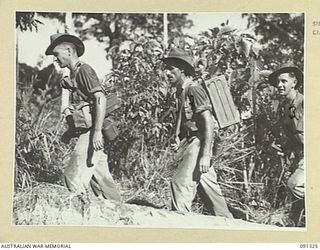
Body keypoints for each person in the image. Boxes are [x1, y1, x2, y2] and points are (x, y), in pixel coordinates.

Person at [45, 33, 121, 201]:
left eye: (56, 55)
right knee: (101, 179)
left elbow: (100, 98)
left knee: (73, 178)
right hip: (87, 131)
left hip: (92, 132)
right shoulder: (73, 75)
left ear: (68, 51)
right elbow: (81, 110)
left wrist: (97, 132)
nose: (55, 60)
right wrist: (69, 132)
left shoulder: (84, 70)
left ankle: (74, 214)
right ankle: (123, 213)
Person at [161, 47, 233, 218]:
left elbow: (208, 122)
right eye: (166, 69)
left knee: (180, 184)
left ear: (183, 69)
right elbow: (185, 120)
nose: (166, 73)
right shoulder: (181, 92)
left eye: (171, 69)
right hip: (192, 141)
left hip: (199, 142)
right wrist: (178, 138)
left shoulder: (194, 89)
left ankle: (181, 223)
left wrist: (206, 154)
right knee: (210, 189)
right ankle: (229, 223)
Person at [268, 64, 304, 226]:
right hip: (299, 152)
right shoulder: (285, 106)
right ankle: (294, 222)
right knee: (296, 186)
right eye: (278, 82)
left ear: (294, 83)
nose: (279, 85)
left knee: (295, 184)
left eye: (284, 81)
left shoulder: (304, 102)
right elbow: (293, 134)